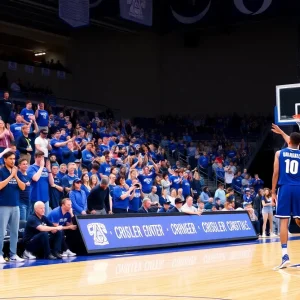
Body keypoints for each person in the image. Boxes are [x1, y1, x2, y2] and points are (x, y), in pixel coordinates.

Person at [271, 130, 300, 269]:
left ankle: (285, 256)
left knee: (284, 222)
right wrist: (283, 132)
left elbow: (276, 173)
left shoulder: (279, 153)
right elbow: (293, 142)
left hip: (285, 188)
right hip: (298, 188)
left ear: (289, 141)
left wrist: (272, 192)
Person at [0, 151, 26, 263]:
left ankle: (13, 254)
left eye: (14, 158)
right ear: (5, 159)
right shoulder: (1, 171)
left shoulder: (17, 172)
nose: (13, 161)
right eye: (10, 158)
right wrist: (11, 176)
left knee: (14, 231)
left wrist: (15, 175)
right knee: (1, 232)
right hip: (3, 205)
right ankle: (0, 255)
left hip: (16, 205)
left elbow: (23, 187)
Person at [27, 151, 54, 216]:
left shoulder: (45, 169)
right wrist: (41, 167)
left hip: (45, 198)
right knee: (35, 219)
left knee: (45, 218)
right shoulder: (31, 168)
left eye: (42, 157)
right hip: (36, 198)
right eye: (39, 157)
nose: (42, 159)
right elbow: (35, 178)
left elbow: (52, 183)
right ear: (35, 158)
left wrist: (49, 170)